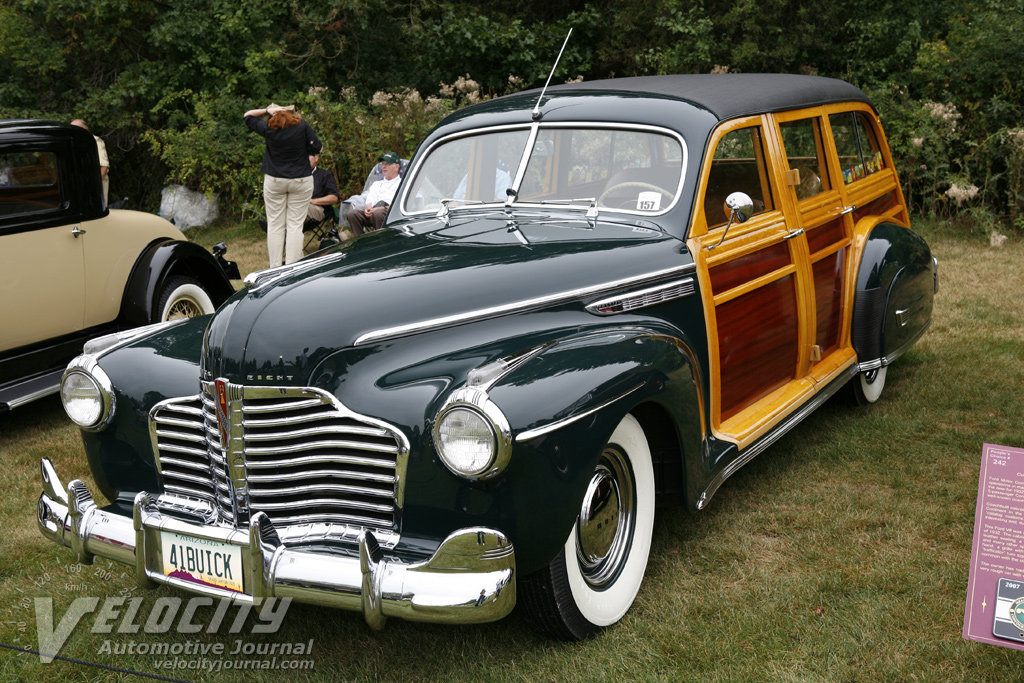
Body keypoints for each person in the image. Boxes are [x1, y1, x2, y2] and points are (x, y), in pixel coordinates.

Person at [244, 103, 322, 266]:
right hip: (301, 180)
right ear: (291, 114)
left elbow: (248, 115)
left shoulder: (268, 128)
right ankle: (293, 266)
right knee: (295, 225)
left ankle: (275, 267)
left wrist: (266, 110)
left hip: (275, 180)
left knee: (275, 225)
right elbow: (318, 148)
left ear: (273, 116)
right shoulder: (302, 126)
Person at [347, 151, 402, 236]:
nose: (384, 167)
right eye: (383, 164)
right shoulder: (377, 184)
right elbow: (369, 201)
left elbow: (401, 205)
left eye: (388, 164)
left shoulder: (402, 184)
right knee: (352, 214)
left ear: (397, 167)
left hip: (390, 214)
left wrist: (382, 209)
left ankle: (381, 241)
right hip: (374, 213)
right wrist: (367, 209)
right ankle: (360, 243)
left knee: (378, 213)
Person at [70, 119, 109, 208]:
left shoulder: (95, 141)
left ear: (85, 129)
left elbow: (104, 167)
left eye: (75, 128)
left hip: (95, 183)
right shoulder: (74, 143)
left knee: (97, 209)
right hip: (81, 184)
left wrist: (94, 187)